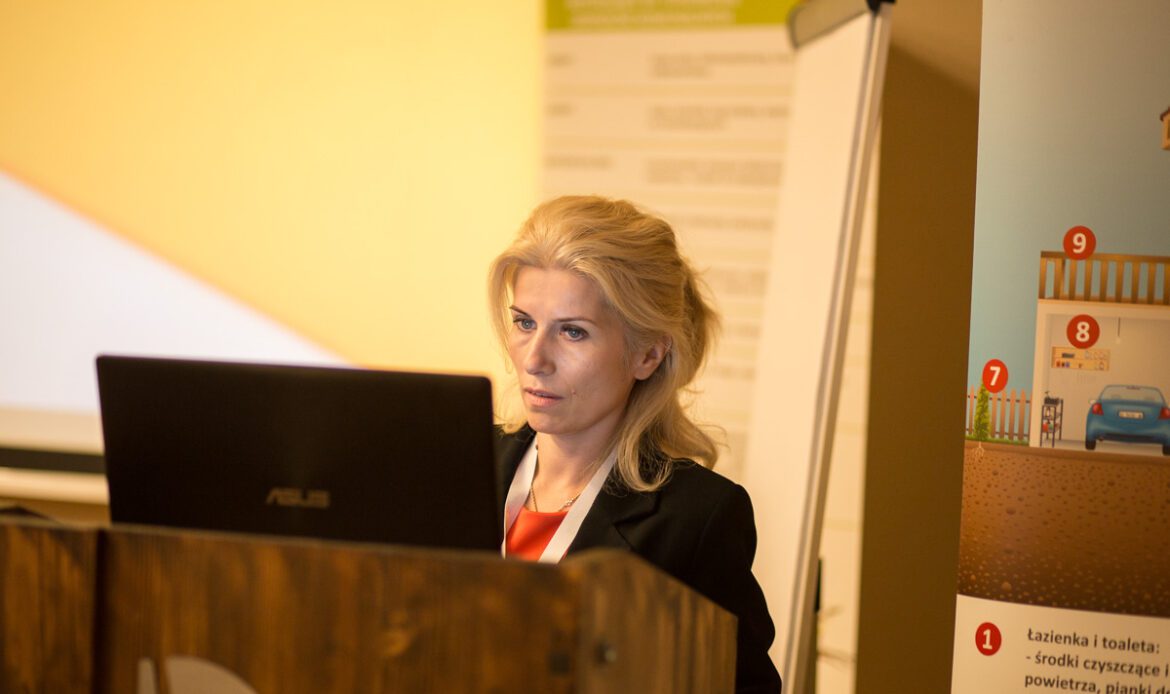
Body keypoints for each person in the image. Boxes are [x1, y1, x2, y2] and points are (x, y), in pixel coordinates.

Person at [488, 195, 782, 693]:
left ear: (647, 355)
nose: (534, 359)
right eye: (524, 323)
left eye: (572, 332)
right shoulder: (457, 467)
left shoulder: (697, 518)